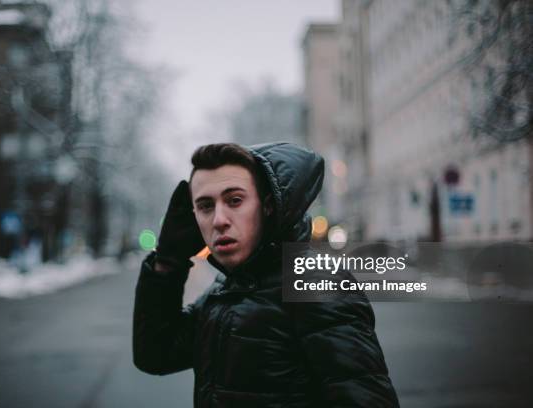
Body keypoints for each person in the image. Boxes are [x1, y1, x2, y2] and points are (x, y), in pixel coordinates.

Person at [133, 142, 399, 407]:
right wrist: (168, 261)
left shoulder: (315, 282)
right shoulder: (228, 288)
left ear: (268, 206)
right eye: (205, 206)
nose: (219, 220)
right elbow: (156, 354)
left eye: (235, 200)